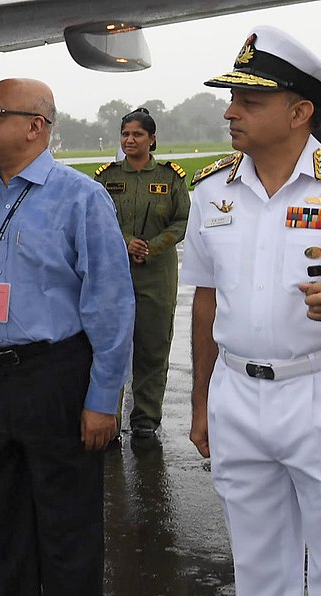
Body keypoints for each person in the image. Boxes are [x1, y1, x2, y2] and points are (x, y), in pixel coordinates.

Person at [0, 78, 134, 594]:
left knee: (68, 530)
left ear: (35, 127)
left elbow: (109, 305)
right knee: (5, 529)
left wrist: (103, 399)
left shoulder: (81, 198)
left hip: (55, 376)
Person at [184, 26, 321, 594]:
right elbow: (205, 298)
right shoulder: (211, 191)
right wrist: (200, 401)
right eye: (232, 98)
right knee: (258, 566)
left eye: (250, 101)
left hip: (314, 388)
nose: (230, 111)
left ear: (300, 113)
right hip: (236, 394)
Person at [95, 108, 189, 441]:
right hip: (116, 273)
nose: (130, 140)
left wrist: (152, 245)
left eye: (137, 134)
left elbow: (181, 221)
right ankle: (108, 418)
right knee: (112, 346)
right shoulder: (106, 178)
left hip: (156, 274)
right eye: (125, 134)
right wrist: (126, 243)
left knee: (152, 346)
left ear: (152, 139)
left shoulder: (170, 177)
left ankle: (146, 419)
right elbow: (98, 218)